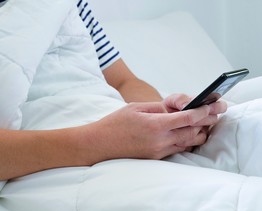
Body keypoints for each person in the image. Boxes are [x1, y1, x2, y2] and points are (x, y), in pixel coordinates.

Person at [0, 0, 227, 180]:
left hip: (112, 124)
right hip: (59, 156)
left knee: (246, 131)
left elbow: (124, 82)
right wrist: (104, 141)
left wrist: (163, 117)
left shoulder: (67, 6)